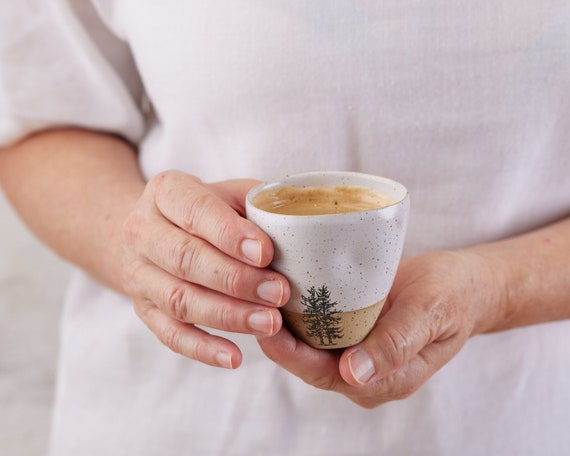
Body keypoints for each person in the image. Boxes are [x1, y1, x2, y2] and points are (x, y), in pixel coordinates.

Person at [1, 1, 569, 455]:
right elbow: (37, 112)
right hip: (177, 413)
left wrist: (495, 288)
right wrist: (142, 244)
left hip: (511, 417)